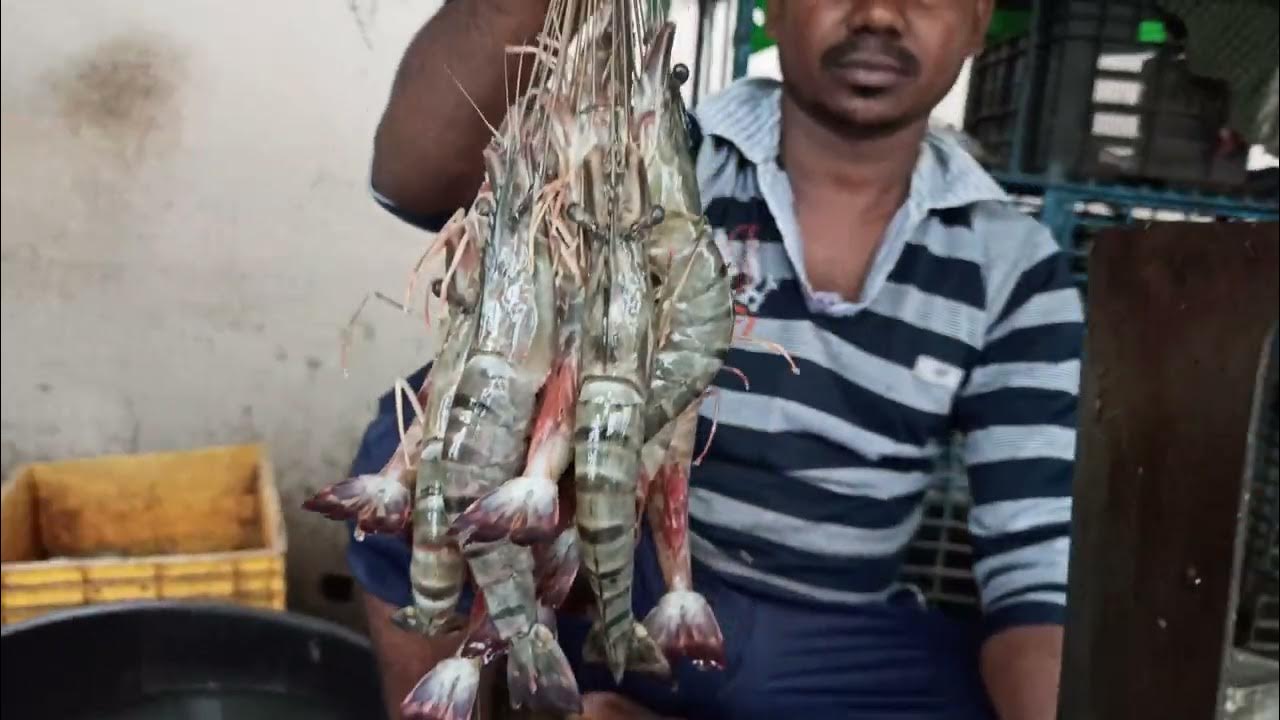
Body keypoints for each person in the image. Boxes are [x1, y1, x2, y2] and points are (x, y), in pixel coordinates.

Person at [349, 1, 1080, 718]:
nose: (879, 15)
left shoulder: (1011, 263)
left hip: (839, 641)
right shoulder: (656, 151)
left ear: (979, 19)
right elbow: (413, 181)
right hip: (612, 577)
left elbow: (1039, 571)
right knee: (427, 437)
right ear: (774, 9)